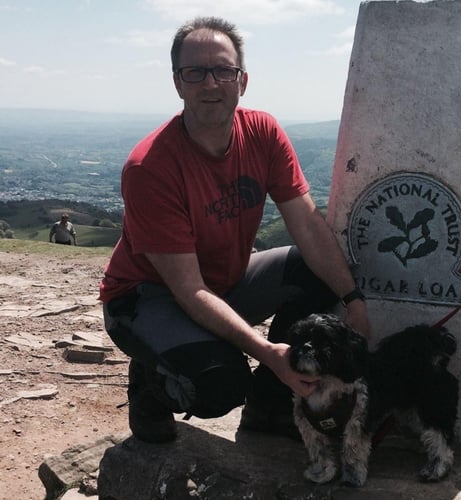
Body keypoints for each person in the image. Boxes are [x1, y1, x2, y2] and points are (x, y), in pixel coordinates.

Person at [98, 16, 371, 443]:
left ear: (242, 81)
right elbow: (189, 290)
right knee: (220, 385)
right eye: (196, 72)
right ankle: (152, 383)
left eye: (223, 70)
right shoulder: (150, 167)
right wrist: (267, 353)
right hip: (146, 297)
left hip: (224, 282)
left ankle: (270, 404)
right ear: (178, 83)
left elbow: (308, 226)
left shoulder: (262, 132)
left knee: (316, 271)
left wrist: (353, 299)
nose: (211, 83)